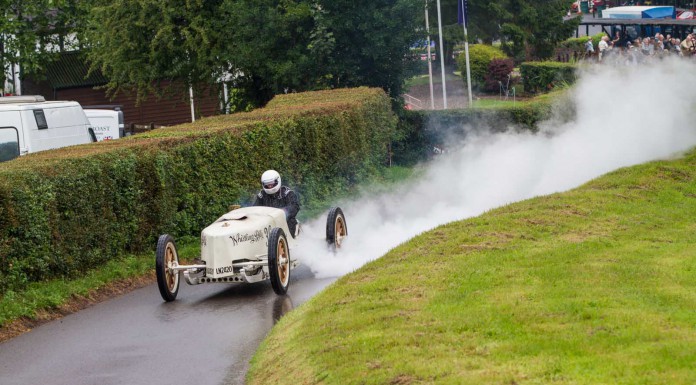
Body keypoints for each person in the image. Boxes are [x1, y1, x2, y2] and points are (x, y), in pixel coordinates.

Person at [253, 169, 300, 237]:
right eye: (267, 184)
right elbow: (255, 208)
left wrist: (283, 212)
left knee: (290, 221)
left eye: (271, 183)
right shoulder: (261, 195)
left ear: (277, 181)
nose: (269, 186)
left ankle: (289, 242)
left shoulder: (287, 193)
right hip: (267, 222)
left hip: (285, 220)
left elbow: (295, 206)